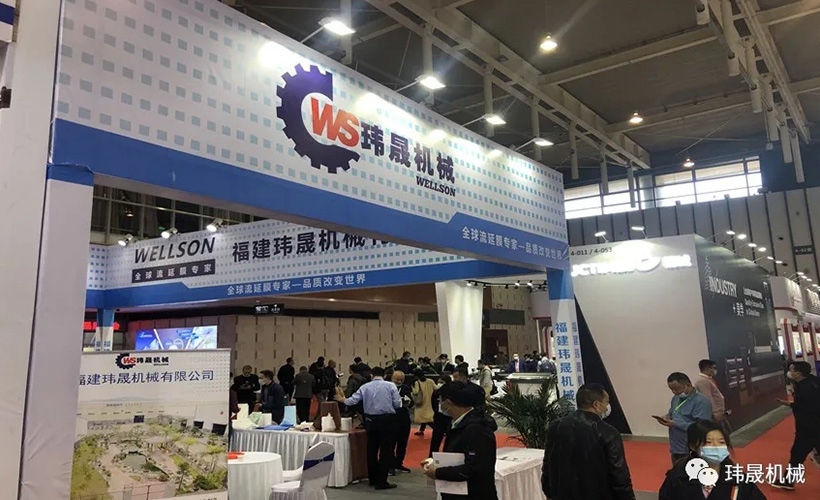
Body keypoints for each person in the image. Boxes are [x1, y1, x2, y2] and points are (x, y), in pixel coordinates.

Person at [542, 383, 635, 500]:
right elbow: (619, 475)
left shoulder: (556, 426)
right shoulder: (608, 433)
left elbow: (548, 464)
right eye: (607, 402)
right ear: (596, 404)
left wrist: (549, 492)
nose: (607, 406)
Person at [423, 381, 499, 500]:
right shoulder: (458, 423)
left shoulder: (477, 429)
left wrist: (438, 472)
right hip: (457, 493)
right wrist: (437, 464)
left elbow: (475, 468)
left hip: (473, 494)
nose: (439, 405)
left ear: (448, 403)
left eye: (440, 401)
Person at [659, 420, 766, 499]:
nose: (716, 446)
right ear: (693, 446)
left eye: (721, 442)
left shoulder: (739, 479)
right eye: (709, 442)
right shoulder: (677, 477)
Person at [336, 366, 401, 490]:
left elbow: (352, 400)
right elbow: (397, 404)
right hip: (387, 420)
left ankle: (372, 478)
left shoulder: (365, 387)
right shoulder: (391, 386)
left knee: (371, 450)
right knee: (386, 450)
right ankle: (382, 481)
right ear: (384, 375)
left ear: (371, 375)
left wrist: (342, 400)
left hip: (370, 421)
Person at [770, 360, 820, 491]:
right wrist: (788, 404)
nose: (789, 372)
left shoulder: (804, 388)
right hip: (813, 426)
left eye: (791, 370)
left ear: (798, 373)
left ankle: (788, 481)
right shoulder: (814, 381)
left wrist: (793, 405)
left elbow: (806, 407)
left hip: (808, 428)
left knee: (797, 455)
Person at [656, 372, 713, 464]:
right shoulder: (676, 398)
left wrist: (676, 424)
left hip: (692, 447)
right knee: (677, 470)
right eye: (671, 389)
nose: (674, 392)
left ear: (688, 385)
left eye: (677, 388)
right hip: (676, 446)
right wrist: (667, 417)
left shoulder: (702, 401)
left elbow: (702, 427)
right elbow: (672, 413)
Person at [391, 370, 414, 474]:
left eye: (401, 380)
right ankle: (390, 464)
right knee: (390, 443)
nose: (399, 382)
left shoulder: (405, 388)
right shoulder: (388, 387)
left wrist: (408, 403)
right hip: (391, 418)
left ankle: (399, 463)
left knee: (403, 443)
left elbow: (412, 402)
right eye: (397, 379)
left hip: (403, 419)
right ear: (392, 378)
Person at [694, 359, 726, 424]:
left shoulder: (708, 379)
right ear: (706, 368)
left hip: (719, 411)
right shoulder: (702, 381)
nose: (714, 370)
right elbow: (708, 398)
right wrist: (715, 412)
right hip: (714, 414)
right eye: (713, 368)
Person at [429, 374, 453, 456]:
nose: (439, 384)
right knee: (436, 438)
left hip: (449, 417)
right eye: (439, 382)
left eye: (442, 382)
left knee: (449, 439)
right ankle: (432, 456)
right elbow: (433, 402)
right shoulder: (437, 392)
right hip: (439, 417)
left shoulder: (451, 392)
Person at [413, 368, 437, 436]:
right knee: (426, 416)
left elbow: (416, 392)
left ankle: (438, 429)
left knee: (426, 418)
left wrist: (412, 388)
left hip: (422, 402)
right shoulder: (430, 381)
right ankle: (421, 430)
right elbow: (436, 388)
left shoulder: (417, 382)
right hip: (430, 401)